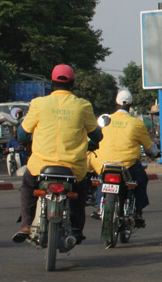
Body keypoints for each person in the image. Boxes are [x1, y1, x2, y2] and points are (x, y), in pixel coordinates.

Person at [12, 64, 103, 243]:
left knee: (28, 186)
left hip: (41, 165)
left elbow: (22, 133)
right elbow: (96, 134)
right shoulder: (83, 106)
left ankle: (25, 224)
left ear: (52, 83)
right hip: (73, 167)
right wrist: (92, 142)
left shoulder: (38, 103)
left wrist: (26, 140)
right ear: (73, 83)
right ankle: (76, 229)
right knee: (80, 191)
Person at [90, 90, 158, 227]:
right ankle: (138, 212)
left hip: (103, 163)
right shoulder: (136, 124)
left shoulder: (104, 120)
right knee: (141, 179)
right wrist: (155, 153)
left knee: (101, 177)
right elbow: (150, 147)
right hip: (127, 166)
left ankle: (99, 205)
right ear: (130, 105)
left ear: (116, 103)